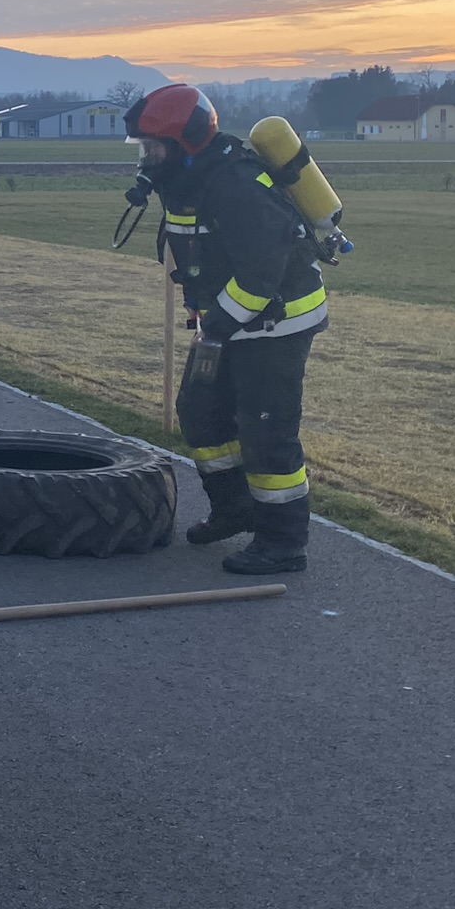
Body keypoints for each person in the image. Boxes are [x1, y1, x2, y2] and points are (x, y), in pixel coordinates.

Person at [123, 84, 327, 574]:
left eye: (154, 147)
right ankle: (235, 509)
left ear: (186, 141)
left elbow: (262, 271)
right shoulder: (186, 180)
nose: (147, 158)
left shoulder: (232, 183)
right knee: (200, 410)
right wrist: (208, 316)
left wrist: (218, 324)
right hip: (230, 321)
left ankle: (283, 542)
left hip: (277, 320)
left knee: (265, 430)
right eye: (143, 149)